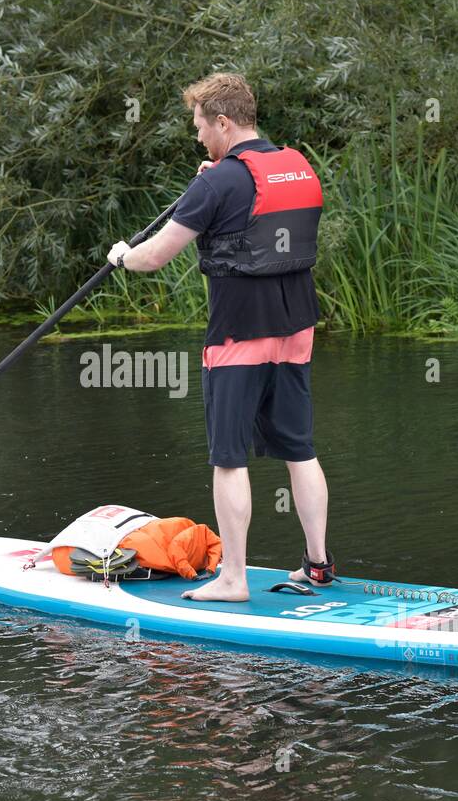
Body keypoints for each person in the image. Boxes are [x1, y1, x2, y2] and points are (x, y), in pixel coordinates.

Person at [106, 72, 334, 602]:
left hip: (239, 336)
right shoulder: (292, 167)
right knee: (299, 450)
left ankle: (232, 579)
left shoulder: (215, 183)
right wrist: (213, 181)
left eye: (201, 126)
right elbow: (247, 203)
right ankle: (318, 565)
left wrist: (121, 257)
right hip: (297, 330)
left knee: (228, 458)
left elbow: (155, 255)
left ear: (224, 122)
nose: (198, 136)